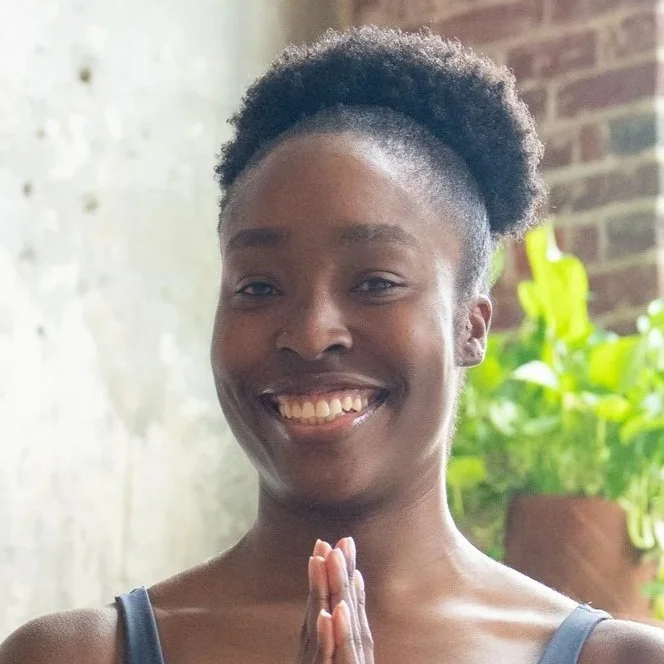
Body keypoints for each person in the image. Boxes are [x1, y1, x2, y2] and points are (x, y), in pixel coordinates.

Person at [1, 25, 663, 664]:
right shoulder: (74, 656)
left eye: (375, 283)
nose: (312, 333)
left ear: (472, 325)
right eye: (259, 287)